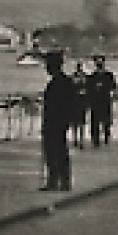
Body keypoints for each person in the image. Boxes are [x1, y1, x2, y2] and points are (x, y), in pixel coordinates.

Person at [40, 50, 73, 191]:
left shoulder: (56, 84)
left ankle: (55, 181)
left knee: (53, 152)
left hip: (54, 123)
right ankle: (63, 181)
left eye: (48, 65)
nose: (46, 68)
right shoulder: (64, 82)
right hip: (59, 123)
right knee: (60, 151)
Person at [86, 53, 116, 146]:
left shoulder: (108, 75)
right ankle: (96, 139)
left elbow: (112, 86)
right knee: (96, 120)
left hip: (104, 99)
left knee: (105, 120)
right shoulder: (92, 77)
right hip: (96, 101)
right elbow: (89, 89)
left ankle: (106, 136)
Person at [70, 60, 89, 148]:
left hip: (79, 101)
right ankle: (77, 139)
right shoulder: (79, 77)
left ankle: (79, 139)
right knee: (77, 123)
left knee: (79, 122)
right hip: (77, 101)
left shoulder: (82, 77)